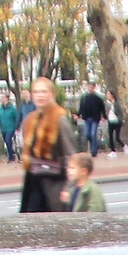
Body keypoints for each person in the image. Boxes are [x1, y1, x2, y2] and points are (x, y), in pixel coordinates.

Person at [18, 78, 77, 212]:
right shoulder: (30, 120)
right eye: (36, 92)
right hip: (33, 183)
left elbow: (71, 157)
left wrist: (68, 188)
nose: (40, 95)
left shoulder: (60, 119)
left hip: (54, 184)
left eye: (44, 91)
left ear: (52, 94)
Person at [77, 84, 106, 157]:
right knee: (87, 134)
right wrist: (78, 114)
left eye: (92, 87)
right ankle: (95, 144)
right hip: (87, 118)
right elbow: (81, 107)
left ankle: (94, 151)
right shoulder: (84, 97)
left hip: (95, 118)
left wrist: (104, 116)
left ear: (94, 88)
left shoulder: (98, 98)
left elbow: (102, 108)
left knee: (93, 133)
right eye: (89, 87)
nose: (90, 89)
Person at [0, 86, 24, 156]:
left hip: (10, 127)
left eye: (3, 97)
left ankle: (11, 155)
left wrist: (17, 125)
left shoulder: (12, 108)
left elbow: (16, 117)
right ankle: (12, 154)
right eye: (1, 97)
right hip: (3, 128)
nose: (2, 99)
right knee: (6, 142)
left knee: (8, 140)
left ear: (7, 98)